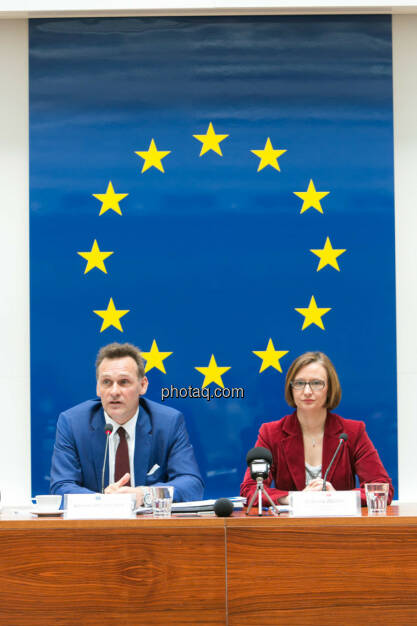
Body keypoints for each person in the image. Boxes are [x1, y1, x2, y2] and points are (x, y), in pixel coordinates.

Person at [50, 342, 204, 505]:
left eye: (124, 382)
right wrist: (103, 501)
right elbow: (61, 487)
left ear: (143, 385)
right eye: (107, 382)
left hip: (150, 527)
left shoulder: (168, 423)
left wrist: (144, 495)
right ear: (97, 388)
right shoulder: (73, 424)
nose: (114, 391)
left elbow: (191, 484)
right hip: (95, 526)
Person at [240, 351, 393, 506]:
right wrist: (295, 499)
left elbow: (382, 490)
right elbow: (250, 490)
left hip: (340, 526)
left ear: (330, 389)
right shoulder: (271, 433)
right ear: (291, 388)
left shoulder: (353, 432)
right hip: (290, 528)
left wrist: (337, 497)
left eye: (316, 383)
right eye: (299, 383)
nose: (307, 391)